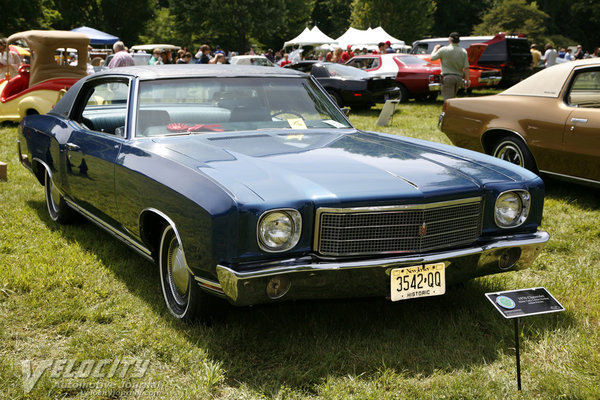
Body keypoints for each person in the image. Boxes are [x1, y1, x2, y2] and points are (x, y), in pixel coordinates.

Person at [430, 32, 469, 101]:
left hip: (448, 77)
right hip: (459, 78)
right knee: (452, 98)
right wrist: (467, 80)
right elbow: (466, 67)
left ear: (450, 40)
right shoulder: (463, 51)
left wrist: (435, 49)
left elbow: (432, 58)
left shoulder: (444, 49)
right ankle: (451, 111)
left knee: (447, 100)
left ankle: (446, 112)